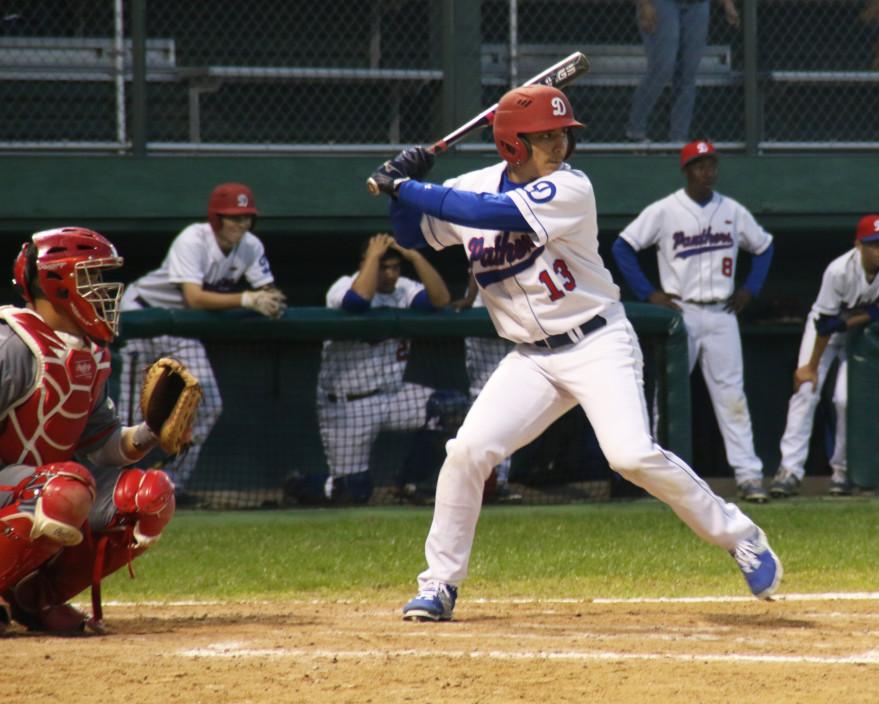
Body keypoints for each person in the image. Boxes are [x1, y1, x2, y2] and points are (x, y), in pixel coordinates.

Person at [368, 83, 782, 622]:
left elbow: (490, 213)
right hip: (531, 359)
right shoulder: (470, 184)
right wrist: (401, 189)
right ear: (513, 144)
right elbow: (416, 233)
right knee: (467, 451)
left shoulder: (570, 188)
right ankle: (439, 584)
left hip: (597, 342)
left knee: (630, 456)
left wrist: (408, 183)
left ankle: (740, 534)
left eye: (563, 134)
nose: (559, 145)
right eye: (544, 137)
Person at [0, 227, 177, 633]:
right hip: (19, 487)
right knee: (65, 490)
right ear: (56, 283)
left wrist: (153, 431)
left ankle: (35, 599)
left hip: (37, 486)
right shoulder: (12, 345)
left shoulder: (88, 354)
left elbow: (103, 445)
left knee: (150, 496)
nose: (102, 290)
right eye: (90, 277)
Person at [612, 140, 775, 503]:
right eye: (700, 165)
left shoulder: (732, 210)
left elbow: (764, 246)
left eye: (711, 164)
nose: (707, 171)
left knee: (732, 397)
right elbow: (623, 246)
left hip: (722, 313)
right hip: (680, 314)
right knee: (665, 396)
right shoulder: (666, 210)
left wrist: (751, 288)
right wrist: (648, 293)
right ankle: (651, 475)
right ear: (686, 170)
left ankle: (749, 477)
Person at [117, 183, 285, 502]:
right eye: (233, 218)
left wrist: (272, 300)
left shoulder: (250, 246)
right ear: (215, 218)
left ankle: (172, 481)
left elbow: (269, 289)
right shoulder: (193, 239)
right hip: (144, 316)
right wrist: (248, 299)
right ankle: (117, 483)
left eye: (246, 218)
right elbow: (194, 298)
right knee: (129, 415)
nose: (240, 225)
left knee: (207, 402)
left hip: (180, 327)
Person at [286, 233, 451, 505]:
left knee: (450, 408)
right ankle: (298, 484)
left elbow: (440, 300)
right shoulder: (342, 286)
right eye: (383, 266)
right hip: (348, 404)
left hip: (394, 396)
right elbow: (358, 301)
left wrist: (416, 256)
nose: (389, 274)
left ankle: (409, 484)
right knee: (353, 492)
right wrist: (373, 256)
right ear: (366, 263)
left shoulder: (404, 289)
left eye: (394, 267)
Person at [770, 214, 879, 498]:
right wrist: (811, 367)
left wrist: (852, 322)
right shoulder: (838, 270)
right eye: (874, 243)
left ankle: (841, 473)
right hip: (823, 333)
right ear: (858, 245)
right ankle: (789, 470)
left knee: (845, 400)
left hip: (856, 331)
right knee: (806, 390)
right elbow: (826, 324)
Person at [626, 0, 740, 143]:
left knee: (688, 72)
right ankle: (635, 131)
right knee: (662, 67)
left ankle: (678, 138)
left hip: (697, 5)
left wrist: (727, 4)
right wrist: (644, 4)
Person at [451, 272, 518, 502]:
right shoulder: (478, 301)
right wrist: (470, 298)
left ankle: (498, 485)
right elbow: (477, 267)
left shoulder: (520, 296)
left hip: (513, 386)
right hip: (480, 388)